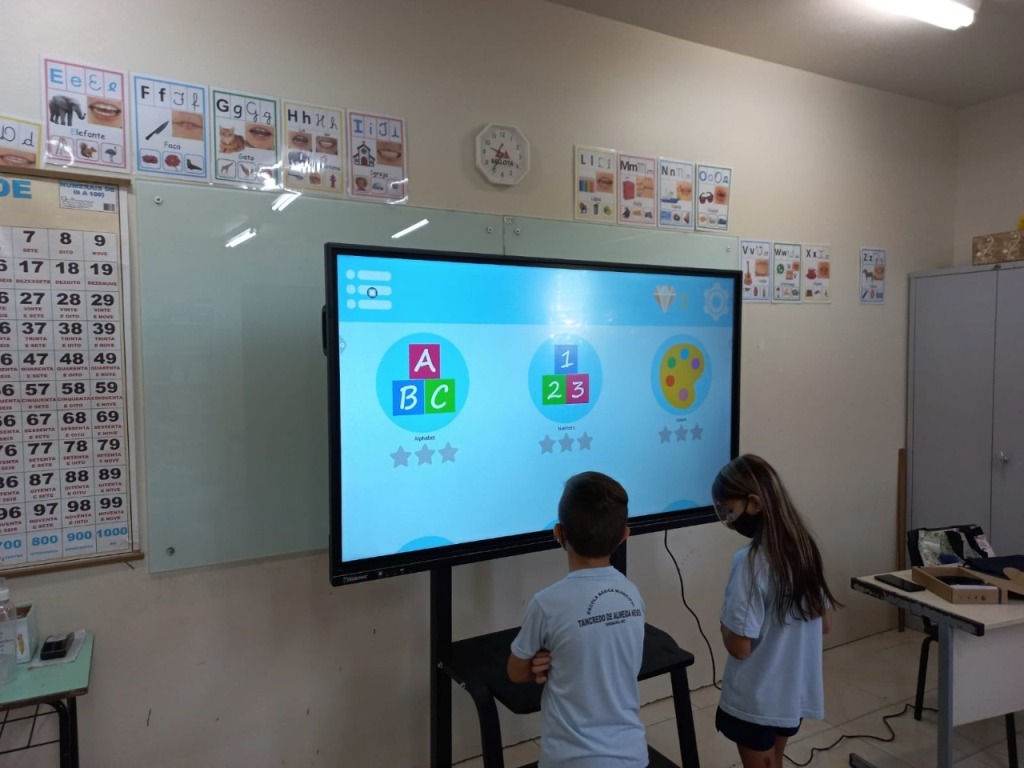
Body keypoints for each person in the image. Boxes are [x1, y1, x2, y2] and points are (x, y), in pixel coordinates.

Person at [508, 471, 648, 768]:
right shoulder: (632, 594)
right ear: (624, 536)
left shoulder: (547, 603)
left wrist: (540, 662)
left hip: (569, 759)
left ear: (558, 533)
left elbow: (516, 672)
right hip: (632, 756)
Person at [711, 454, 841, 768]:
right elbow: (825, 623)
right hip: (790, 698)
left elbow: (740, 646)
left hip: (755, 700)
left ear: (754, 504)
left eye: (729, 511)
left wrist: (724, 625)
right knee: (775, 761)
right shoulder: (805, 549)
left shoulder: (750, 562)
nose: (728, 520)